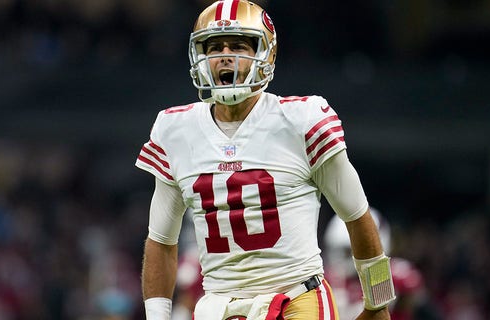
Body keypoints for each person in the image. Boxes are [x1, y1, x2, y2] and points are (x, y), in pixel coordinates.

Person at [135, 1, 395, 319]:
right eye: (214, 46)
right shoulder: (175, 129)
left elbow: (357, 217)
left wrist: (379, 303)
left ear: (265, 53)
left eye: (240, 45)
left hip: (296, 299)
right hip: (220, 306)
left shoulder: (301, 119)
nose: (225, 55)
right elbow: (161, 241)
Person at [323, 208, 442, 320]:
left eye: (348, 252)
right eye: (340, 251)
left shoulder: (393, 275)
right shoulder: (330, 279)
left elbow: (424, 310)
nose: (341, 258)